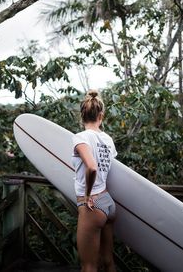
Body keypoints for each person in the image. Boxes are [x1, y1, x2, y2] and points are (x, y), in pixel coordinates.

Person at [72, 90, 117, 272]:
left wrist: (88, 195)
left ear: (82, 115)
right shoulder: (108, 140)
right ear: (101, 115)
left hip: (92, 205)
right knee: (108, 262)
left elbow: (92, 167)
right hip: (108, 203)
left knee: (88, 266)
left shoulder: (81, 137)